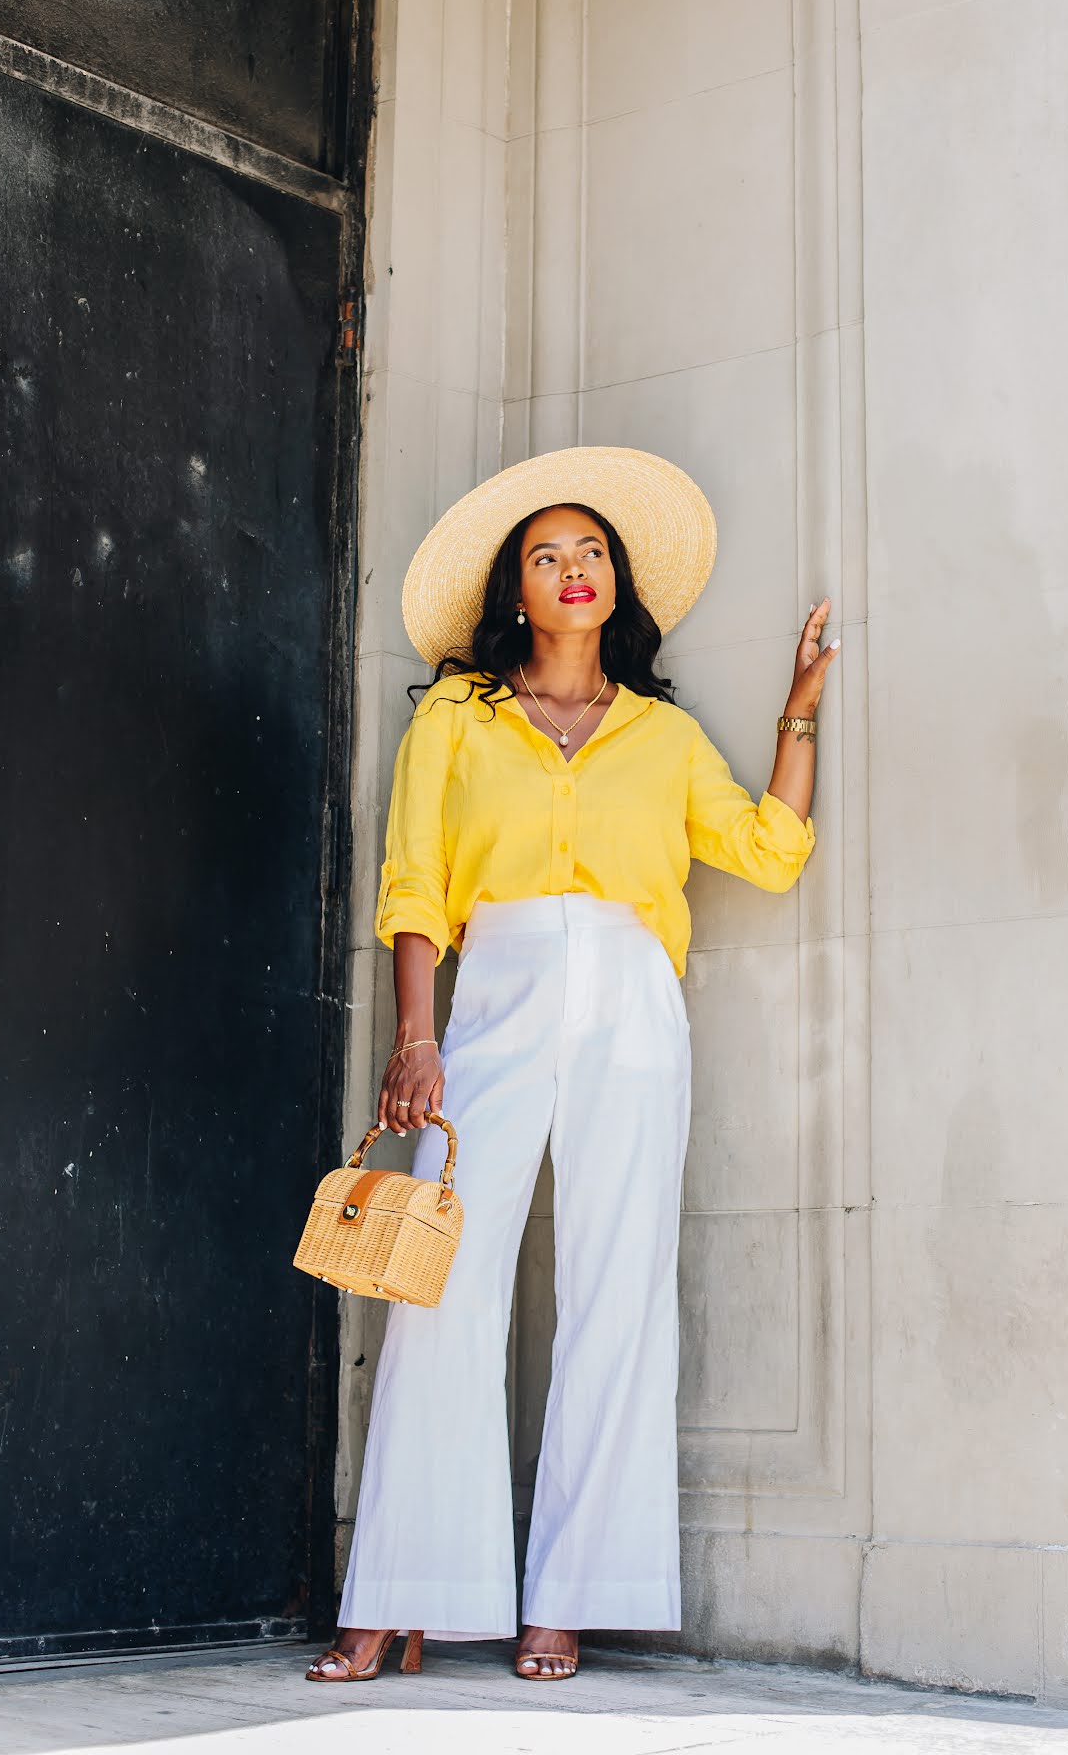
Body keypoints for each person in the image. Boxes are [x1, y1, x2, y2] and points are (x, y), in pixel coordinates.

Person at [307, 445, 838, 1687]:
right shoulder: (456, 715)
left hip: (632, 998)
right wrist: (417, 1033)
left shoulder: (660, 734)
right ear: (519, 590)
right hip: (489, 992)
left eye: (590, 549)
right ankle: (397, 1592)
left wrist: (798, 708)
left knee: (620, 1290)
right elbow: (414, 884)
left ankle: (571, 1597)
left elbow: (767, 850)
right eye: (546, 556)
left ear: (618, 581)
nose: (572, 569)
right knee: (440, 1285)